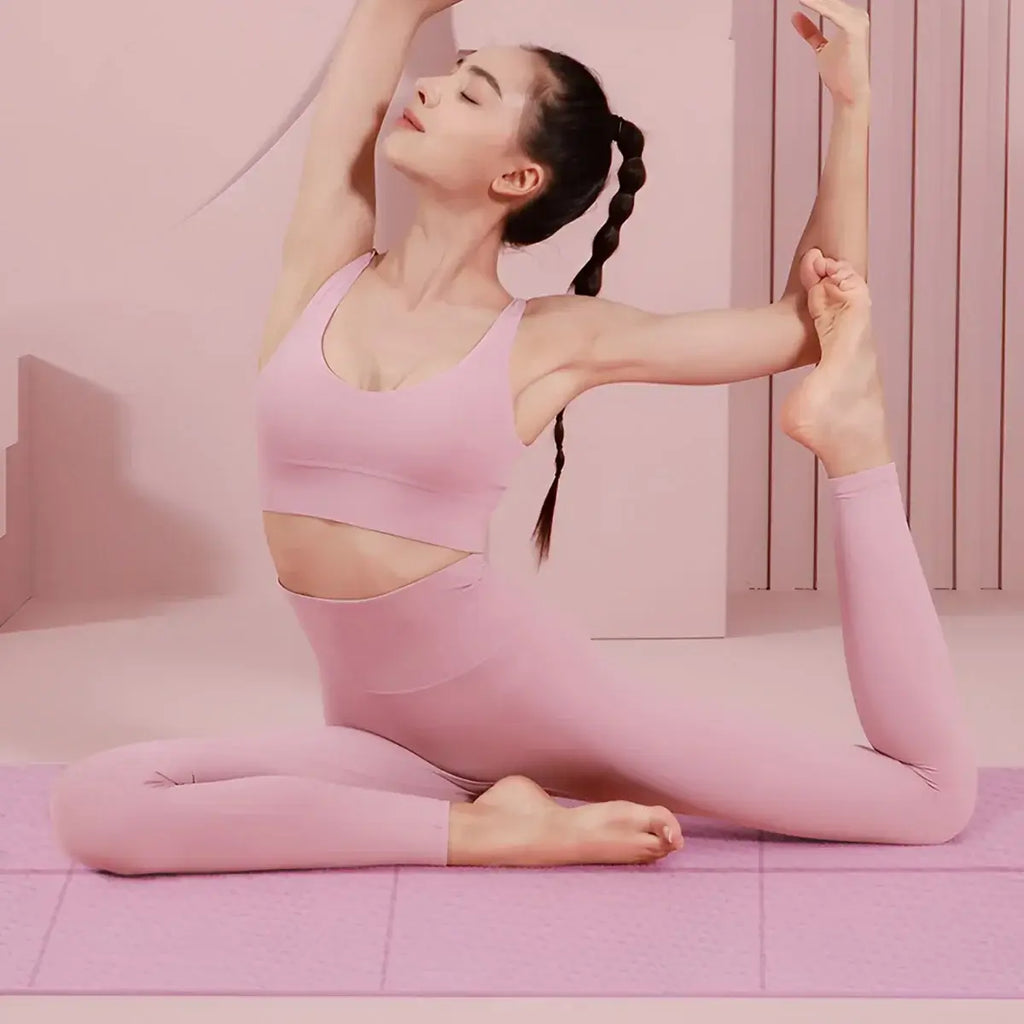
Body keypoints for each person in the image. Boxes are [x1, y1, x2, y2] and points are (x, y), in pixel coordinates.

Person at [49, 0, 977, 876]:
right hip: (384, 739)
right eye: (449, 75)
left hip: (533, 706)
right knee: (100, 803)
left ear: (517, 177)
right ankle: (493, 832)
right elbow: (386, 15)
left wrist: (851, 104)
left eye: (471, 92)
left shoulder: (547, 340)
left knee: (927, 800)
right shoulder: (325, 267)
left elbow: (804, 325)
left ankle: (856, 443)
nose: (428, 88)